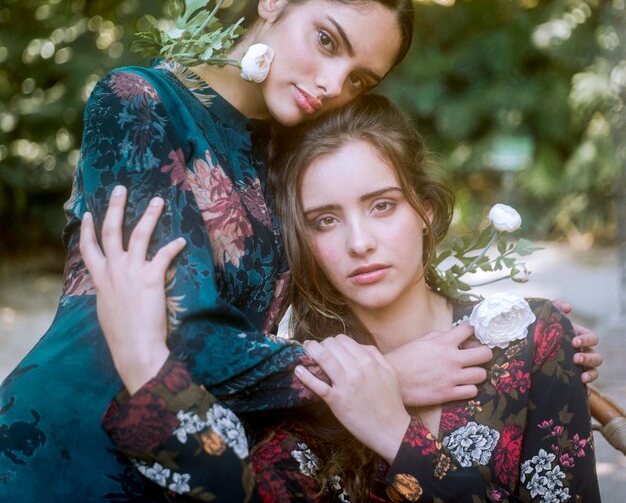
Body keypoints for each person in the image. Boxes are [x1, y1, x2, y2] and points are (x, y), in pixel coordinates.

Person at [0, 0, 498, 501]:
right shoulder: (139, 103)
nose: (335, 84)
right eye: (327, 41)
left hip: (204, 468)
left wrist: (518, 339)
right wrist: (381, 377)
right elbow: (179, 338)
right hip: (62, 452)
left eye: (360, 79)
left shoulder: (293, 162)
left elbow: (364, 288)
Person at [82, 95, 602, 502]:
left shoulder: (528, 337)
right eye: (324, 220)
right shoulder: (306, 385)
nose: (359, 242)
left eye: (382, 205)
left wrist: (395, 435)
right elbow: (226, 491)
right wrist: (141, 361)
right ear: (302, 240)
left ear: (423, 208)